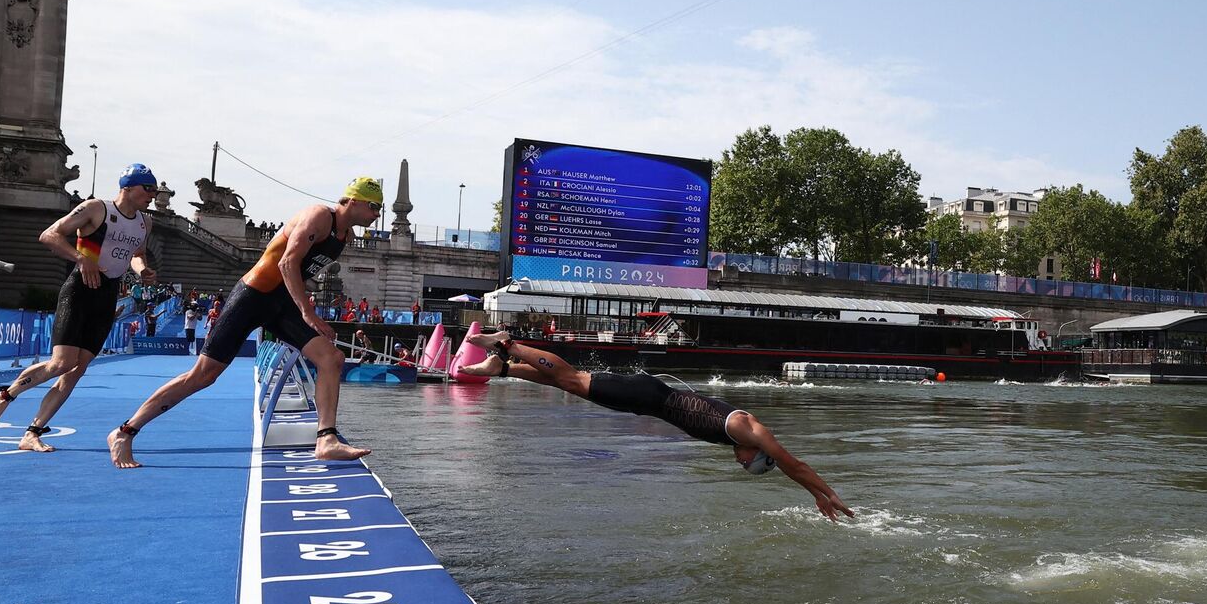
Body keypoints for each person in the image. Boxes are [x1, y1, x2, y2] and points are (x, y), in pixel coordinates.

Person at [109, 177, 383, 468]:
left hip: (281, 305)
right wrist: (308, 311)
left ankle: (326, 439)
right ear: (352, 200)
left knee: (332, 358)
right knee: (203, 375)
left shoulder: (346, 237)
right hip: (253, 296)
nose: (377, 214)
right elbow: (286, 263)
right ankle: (125, 431)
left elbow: (300, 273)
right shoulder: (318, 216)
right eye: (374, 206)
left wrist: (301, 305)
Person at [458, 331, 855, 521]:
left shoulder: (736, 434)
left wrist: (819, 493)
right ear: (758, 454)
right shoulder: (747, 430)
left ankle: (503, 368)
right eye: (747, 464)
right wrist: (824, 493)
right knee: (573, 380)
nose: (740, 463)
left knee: (573, 385)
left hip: (649, 401)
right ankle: (508, 345)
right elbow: (794, 464)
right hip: (650, 398)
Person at [0, 164, 159, 452]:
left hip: (107, 293)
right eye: (147, 188)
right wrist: (80, 258)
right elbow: (49, 234)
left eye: (154, 190)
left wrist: (142, 270)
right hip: (80, 288)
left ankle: (32, 433)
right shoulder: (96, 209)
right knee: (62, 363)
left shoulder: (144, 222)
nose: (152, 195)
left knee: (76, 370)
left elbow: (137, 254)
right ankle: (5, 396)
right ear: (128, 186)